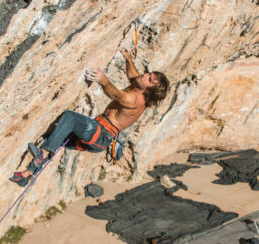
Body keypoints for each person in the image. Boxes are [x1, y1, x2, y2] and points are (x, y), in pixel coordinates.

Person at [9, 47, 170, 186]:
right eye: (149, 74)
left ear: (148, 91)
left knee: (70, 118)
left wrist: (103, 80)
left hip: (100, 134)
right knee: (53, 136)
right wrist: (128, 58)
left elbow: (116, 95)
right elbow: (134, 76)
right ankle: (26, 175)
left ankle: (42, 154)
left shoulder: (134, 99)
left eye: (150, 79)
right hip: (98, 135)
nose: (146, 75)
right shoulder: (138, 87)